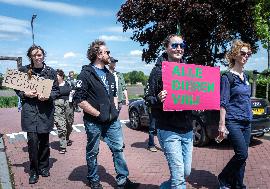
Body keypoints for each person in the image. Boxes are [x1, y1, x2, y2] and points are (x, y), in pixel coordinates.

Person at [73, 39, 140, 189]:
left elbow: (114, 95)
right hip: (93, 121)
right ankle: (93, 179)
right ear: (98, 54)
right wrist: (97, 114)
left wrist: (115, 111)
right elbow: (79, 99)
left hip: (112, 121)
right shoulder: (85, 74)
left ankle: (123, 180)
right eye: (107, 52)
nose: (109, 54)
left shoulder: (110, 74)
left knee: (118, 149)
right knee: (93, 151)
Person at [145, 34, 193, 189]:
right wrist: (158, 99)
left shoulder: (190, 71)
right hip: (168, 129)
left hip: (187, 129)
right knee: (179, 177)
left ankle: (165, 186)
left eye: (182, 45)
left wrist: (200, 103)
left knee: (186, 172)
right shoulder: (157, 71)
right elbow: (148, 98)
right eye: (174, 45)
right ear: (166, 47)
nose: (178, 48)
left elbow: (194, 96)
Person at [15, 45, 59, 184]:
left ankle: (44, 166)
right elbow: (17, 88)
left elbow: (57, 91)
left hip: (45, 111)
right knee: (33, 142)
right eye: (34, 55)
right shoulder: (24, 70)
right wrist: (24, 93)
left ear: (43, 55)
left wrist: (48, 96)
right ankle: (34, 171)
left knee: (44, 141)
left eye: (39, 55)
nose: (37, 57)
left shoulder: (51, 72)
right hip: (30, 110)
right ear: (30, 57)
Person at [217, 40, 252, 189]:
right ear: (235, 55)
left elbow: (245, 99)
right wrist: (222, 124)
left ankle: (238, 185)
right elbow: (223, 102)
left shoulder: (246, 77)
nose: (246, 56)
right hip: (233, 121)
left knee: (243, 158)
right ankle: (223, 178)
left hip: (247, 121)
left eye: (248, 54)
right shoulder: (227, 77)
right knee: (241, 154)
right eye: (243, 53)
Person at [54, 69, 74, 154]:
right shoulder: (53, 85)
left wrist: (73, 93)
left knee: (69, 124)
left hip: (68, 105)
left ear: (61, 76)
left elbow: (75, 91)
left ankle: (67, 138)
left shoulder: (69, 83)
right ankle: (63, 145)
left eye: (57, 76)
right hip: (57, 105)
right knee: (61, 125)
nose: (55, 78)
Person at [144, 82, 157, 152]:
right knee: (152, 127)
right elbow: (146, 96)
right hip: (152, 108)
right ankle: (151, 144)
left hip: (160, 108)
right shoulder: (150, 83)